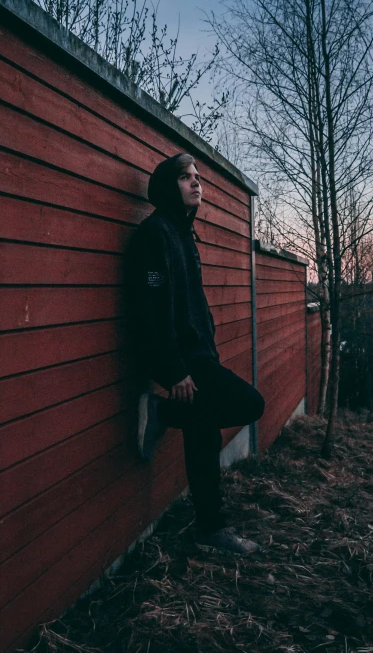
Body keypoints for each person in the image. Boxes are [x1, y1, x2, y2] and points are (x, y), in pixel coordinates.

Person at [131, 152, 265, 554]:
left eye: (197, 177)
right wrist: (173, 371)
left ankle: (210, 529)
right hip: (184, 363)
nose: (196, 183)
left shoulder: (183, 234)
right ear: (166, 187)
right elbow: (151, 309)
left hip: (200, 357)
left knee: (203, 431)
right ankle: (162, 411)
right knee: (250, 404)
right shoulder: (155, 235)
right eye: (185, 177)